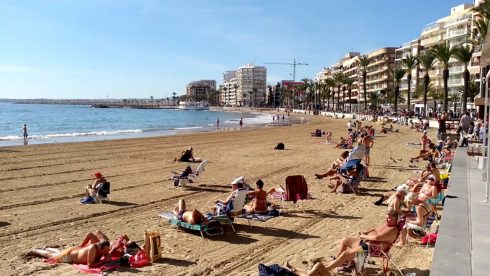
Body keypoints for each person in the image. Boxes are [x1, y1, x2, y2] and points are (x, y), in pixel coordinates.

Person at [287, 211, 399, 275]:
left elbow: (377, 237)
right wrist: (366, 231)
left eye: (389, 219)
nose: (386, 220)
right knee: (345, 240)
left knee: (346, 254)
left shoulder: (393, 229)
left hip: (373, 248)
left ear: (395, 219)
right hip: (367, 243)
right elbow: (375, 229)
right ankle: (338, 263)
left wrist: (363, 235)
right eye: (386, 218)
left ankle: (326, 268)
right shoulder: (387, 225)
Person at [25, 240, 110, 267]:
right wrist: (104, 260)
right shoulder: (93, 249)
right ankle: (35, 251)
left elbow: (105, 255)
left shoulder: (100, 248)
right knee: (51, 256)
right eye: (105, 250)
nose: (106, 252)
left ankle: (47, 248)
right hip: (69, 256)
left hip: (73, 251)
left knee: (59, 252)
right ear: (100, 248)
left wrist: (106, 255)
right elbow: (90, 265)